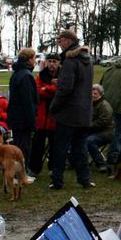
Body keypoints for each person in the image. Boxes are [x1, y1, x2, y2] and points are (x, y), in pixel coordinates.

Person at [48, 29, 95, 190]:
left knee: (60, 147)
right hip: (84, 112)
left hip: (68, 113)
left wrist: (54, 107)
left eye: (60, 40)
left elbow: (65, 89)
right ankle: (85, 179)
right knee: (80, 147)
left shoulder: (70, 61)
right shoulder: (87, 61)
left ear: (68, 41)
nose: (59, 43)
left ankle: (57, 180)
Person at [7, 47, 39, 177]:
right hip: (23, 118)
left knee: (19, 144)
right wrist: (32, 121)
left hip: (15, 116)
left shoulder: (16, 74)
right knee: (24, 146)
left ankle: (20, 171)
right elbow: (28, 101)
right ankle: (21, 172)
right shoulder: (26, 76)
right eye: (34, 58)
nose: (35, 61)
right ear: (29, 59)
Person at [34, 53, 59, 175]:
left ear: (58, 63)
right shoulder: (41, 76)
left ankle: (54, 167)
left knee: (55, 145)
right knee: (38, 144)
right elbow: (38, 92)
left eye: (54, 61)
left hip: (56, 117)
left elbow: (63, 93)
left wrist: (46, 89)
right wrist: (53, 87)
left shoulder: (63, 76)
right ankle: (34, 168)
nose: (52, 64)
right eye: (50, 61)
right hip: (42, 116)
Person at [86, 84, 115, 173]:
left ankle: (101, 163)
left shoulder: (104, 106)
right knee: (76, 136)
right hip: (93, 130)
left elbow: (103, 122)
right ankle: (73, 160)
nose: (92, 95)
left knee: (89, 141)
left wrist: (88, 126)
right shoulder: (90, 104)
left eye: (95, 93)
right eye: (91, 93)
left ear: (101, 94)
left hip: (106, 132)